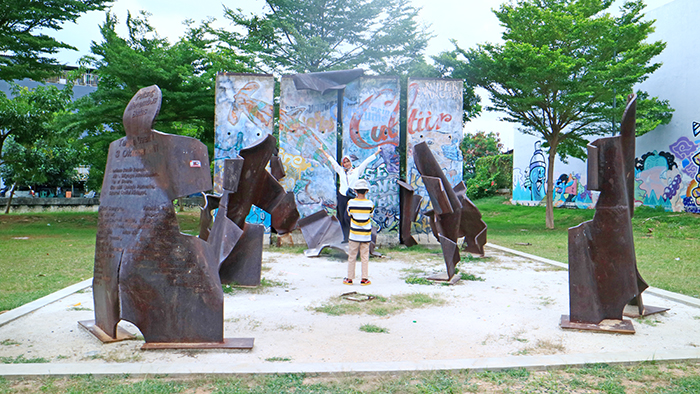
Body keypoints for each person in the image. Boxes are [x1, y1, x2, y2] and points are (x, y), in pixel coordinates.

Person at [321, 148, 381, 242]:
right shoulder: (341, 171)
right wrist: (323, 151)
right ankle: (346, 237)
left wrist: (376, 153)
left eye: (348, 161)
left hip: (352, 197)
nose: (346, 164)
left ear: (351, 162)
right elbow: (332, 160)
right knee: (341, 217)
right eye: (344, 162)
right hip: (342, 196)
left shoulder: (356, 171)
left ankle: (353, 236)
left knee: (348, 217)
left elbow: (366, 162)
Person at [343, 179, 374, 286]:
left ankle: (349, 279)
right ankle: (364, 279)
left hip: (354, 234)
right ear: (366, 191)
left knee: (352, 256)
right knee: (365, 257)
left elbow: (349, 214)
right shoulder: (370, 203)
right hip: (366, 235)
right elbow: (371, 214)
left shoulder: (351, 203)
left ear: (355, 191)